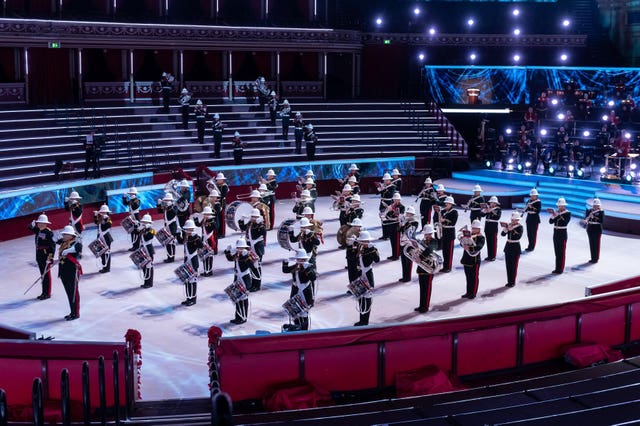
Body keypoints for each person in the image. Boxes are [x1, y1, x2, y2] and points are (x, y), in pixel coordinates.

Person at [283, 249, 317, 330]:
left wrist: (307, 268)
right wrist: (285, 262)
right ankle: (297, 328)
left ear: (304, 259)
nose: (298, 261)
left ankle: (304, 330)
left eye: (300, 259)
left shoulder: (308, 266)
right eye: (297, 259)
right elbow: (285, 270)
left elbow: (313, 278)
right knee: (295, 312)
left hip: (305, 292)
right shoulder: (296, 266)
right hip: (296, 291)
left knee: (304, 313)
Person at [224, 239, 255, 324]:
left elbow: (252, 266)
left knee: (243, 298)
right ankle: (238, 317)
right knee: (237, 299)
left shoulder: (247, 255)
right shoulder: (237, 255)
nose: (239, 249)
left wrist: (246, 256)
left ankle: (243, 317)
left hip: (245, 279)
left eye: (241, 248)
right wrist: (227, 251)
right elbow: (230, 258)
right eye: (238, 247)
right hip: (238, 278)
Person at [56, 225, 83, 320]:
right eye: (63, 234)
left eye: (65, 234)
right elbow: (55, 240)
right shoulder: (64, 242)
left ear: (70, 235)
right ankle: (72, 312)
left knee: (73, 292)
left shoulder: (75, 243)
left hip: (72, 271)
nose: (63, 236)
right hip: (64, 271)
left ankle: (76, 313)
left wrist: (68, 251)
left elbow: (79, 248)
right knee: (68, 292)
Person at [353, 231, 380, 326]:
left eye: (365, 241)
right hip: (360, 274)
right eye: (362, 241)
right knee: (361, 298)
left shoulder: (372, 249)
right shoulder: (360, 248)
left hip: (368, 276)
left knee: (367, 298)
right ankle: (361, 319)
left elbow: (377, 260)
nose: (363, 243)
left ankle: (365, 321)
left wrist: (372, 249)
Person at [28, 213, 55, 300]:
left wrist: (50, 257)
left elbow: (52, 246)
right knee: (42, 275)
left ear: (45, 223)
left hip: (45, 256)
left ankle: (47, 293)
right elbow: (31, 228)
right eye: (38, 222)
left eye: (40, 223)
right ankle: (43, 292)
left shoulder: (48, 233)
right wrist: (31, 225)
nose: (38, 224)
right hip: (39, 255)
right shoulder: (39, 230)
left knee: (46, 275)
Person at [238, 209, 266, 292]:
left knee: (256, 267)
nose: (253, 218)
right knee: (251, 266)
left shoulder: (260, 225)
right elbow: (243, 228)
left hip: (257, 249)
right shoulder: (250, 223)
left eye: (255, 217)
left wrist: (260, 223)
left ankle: (257, 285)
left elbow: (263, 232)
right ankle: (252, 283)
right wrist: (241, 220)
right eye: (252, 216)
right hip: (250, 247)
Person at [415, 224, 439, 313]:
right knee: (422, 288)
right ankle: (421, 305)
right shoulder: (422, 241)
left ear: (431, 234)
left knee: (427, 288)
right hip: (421, 268)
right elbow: (418, 250)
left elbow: (429, 250)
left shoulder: (434, 242)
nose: (427, 236)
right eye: (425, 234)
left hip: (430, 268)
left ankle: (425, 307)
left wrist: (420, 257)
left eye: (428, 234)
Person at [460, 220, 485, 299]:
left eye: (475, 228)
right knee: (468, 277)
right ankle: (468, 292)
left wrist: (469, 247)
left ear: (479, 229)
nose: (473, 230)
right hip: (466, 258)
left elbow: (479, 247)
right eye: (473, 228)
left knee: (474, 277)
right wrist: (462, 242)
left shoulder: (481, 237)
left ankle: (473, 293)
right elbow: (463, 244)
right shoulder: (468, 235)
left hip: (475, 259)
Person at [182, 220, 203, 305]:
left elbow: (201, 246)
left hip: (193, 262)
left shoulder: (196, 237)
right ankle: (188, 298)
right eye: (187, 229)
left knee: (193, 281)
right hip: (187, 261)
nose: (188, 231)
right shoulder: (186, 237)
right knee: (187, 281)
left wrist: (196, 237)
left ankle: (193, 299)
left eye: (189, 229)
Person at [549, 197, 571, 274]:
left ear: (564, 206)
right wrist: (553, 214)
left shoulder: (567, 213)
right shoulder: (557, 212)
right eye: (559, 206)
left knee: (561, 252)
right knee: (557, 251)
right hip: (556, 233)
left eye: (561, 206)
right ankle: (557, 268)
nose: (560, 207)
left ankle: (560, 268)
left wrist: (557, 214)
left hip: (562, 233)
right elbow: (550, 222)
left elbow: (564, 222)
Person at [502, 212, 523, 288]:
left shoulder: (520, 227)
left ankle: (512, 281)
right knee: (508, 265)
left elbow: (518, 236)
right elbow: (502, 234)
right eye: (512, 220)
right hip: (508, 246)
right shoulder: (509, 225)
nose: (513, 221)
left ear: (517, 220)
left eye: (514, 220)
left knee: (514, 265)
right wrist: (505, 229)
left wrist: (512, 230)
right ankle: (509, 281)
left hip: (515, 247)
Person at [195, 206, 218, 277]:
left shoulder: (212, 220)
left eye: (207, 214)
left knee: (209, 256)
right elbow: (198, 225)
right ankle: (207, 270)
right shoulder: (204, 220)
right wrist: (195, 219)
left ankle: (208, 271)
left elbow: (214, 226)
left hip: (209, 240)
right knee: (205, 256)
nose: (205, 215)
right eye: (205, 214)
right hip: (204, 239)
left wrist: (207, 221)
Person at [157, 192, 179, 263]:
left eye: (168, 200)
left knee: (171, 243)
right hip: (167, 227)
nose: (166, 202)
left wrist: (169, 206)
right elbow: (159, 211)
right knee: (167, 243)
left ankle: (172, 257)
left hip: (172, 227)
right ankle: (169, 256)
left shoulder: (174, 207)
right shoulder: (165, 208)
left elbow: (174, 213)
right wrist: (158, 204)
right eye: (166, 200)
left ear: (171, 201)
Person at [437, 196, 458, 272]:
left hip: (450, 233)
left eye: (448, 203)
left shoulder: (454, 212)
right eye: (446, 203)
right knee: (444, 251)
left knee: (449, 252)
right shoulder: (443, 211)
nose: (446, 204)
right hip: (444, 232)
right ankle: (445, 266)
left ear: (451, 204)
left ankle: (448, 267)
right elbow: (440, 220)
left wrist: (444, 220)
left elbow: (453, 222)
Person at [399, 205, 419, 282]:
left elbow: (410, 231)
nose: (408, 215)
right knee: (403, 260)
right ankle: (404, 276)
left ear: (413, 215)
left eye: (410, 214)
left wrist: (405, 223)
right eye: (407, 213)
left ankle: (408, 277)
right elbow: (399, 230)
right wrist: (401, 224)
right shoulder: (405, 221)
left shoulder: (415, 222)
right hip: (403, 242)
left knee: (409, 260)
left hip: (410, 243)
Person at [382, 192, 404, 261]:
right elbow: (387, 216)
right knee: (392, 241)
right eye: (394, 199)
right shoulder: (391, 206)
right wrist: (387, 211)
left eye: (396, 199)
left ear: (399, 200)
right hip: (391, 225)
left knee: (396, 241)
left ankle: (397, 255)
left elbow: (400, 216)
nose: (395, 201)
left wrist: (392, 210)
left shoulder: (402, 207)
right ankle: (394, 254)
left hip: (397, 225)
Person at [93, 204, 113, 273]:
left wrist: (104, 219)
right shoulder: (100, 218)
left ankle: (107, 268)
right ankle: (104, 266)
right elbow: (96, 223)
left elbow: (107, 226)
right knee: (102, 253)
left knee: (106, 253)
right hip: (100, 237)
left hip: (106, 238)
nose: (103, 213)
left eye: (104, 212)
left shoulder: (108, 219)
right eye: (102, 212)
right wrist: (95, 215)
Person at [585, 198, 604, 263]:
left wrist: (594, 217)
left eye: (597, 205)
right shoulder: (590, 210)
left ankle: (596, 258)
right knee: (591, 243)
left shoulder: (601, 212)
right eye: (594, 205)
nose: (595, 207)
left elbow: (602, 221)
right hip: (590, 228)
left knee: (596, 244)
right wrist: (587, 218)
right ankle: (592, 257)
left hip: (597, 228)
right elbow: (586, 218)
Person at [376, 173, 396, 239]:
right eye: (385, 180)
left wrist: (383, 188)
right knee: (383, 220)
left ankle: (388, 235)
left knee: (388, 219)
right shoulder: (384, 186)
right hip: (382, 204)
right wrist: (379, 188)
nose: (386, 181)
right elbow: (377, 193)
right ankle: (384, 235)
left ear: (390, 180)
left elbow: (390, 195)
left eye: (387, 180)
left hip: (389, 203)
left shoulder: (392, 186)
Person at [482, 196, 501, 261]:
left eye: (493, 203)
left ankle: (493, 256)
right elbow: (482, 215)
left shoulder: (498, 209)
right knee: (488, 242)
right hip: (487, 227)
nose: (491, 204)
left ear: (496, 203)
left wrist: (491, 211)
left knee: (493, 242)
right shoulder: (488, 208)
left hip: (493, 227)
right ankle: (489, 255)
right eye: (491, 203)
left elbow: (497, 217)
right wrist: (485, 211)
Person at [139, 214, 156, 288]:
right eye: (144, 222)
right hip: (143, 249)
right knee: (144, 266)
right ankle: (146, 281)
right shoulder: (143, 229)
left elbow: (147, 237)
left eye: (145, 222)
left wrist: (146, 229)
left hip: (149, 250)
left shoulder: (152, 230)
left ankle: (149, 283)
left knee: (149, 266)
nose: (144, 223)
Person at [123, 187, 141, 251]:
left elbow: (134, 207)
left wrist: (131, 200)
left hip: (136, 217)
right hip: (131, 216)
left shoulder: (137, 200)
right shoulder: (131, 200)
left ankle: (138, 246)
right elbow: (125, 203)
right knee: (132, 232)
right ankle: (134, 246)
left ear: (134, 194)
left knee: (137, 232)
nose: (130, 195)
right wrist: (124, 198)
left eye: (131, 194)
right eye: (130, 194)